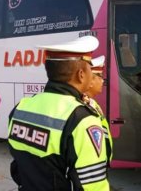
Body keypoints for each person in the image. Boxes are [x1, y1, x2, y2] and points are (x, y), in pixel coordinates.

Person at [7, 36, 110, 191]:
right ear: (81, 74)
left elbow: (18, 165)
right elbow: (93, 186)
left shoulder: (21, 107)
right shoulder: (82, 119)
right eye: (90, 69)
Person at [82, 55, 113, 165]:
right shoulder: (81, 107)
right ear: (89, 81)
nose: (103, 81)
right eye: (100, 76)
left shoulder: (92, 103)